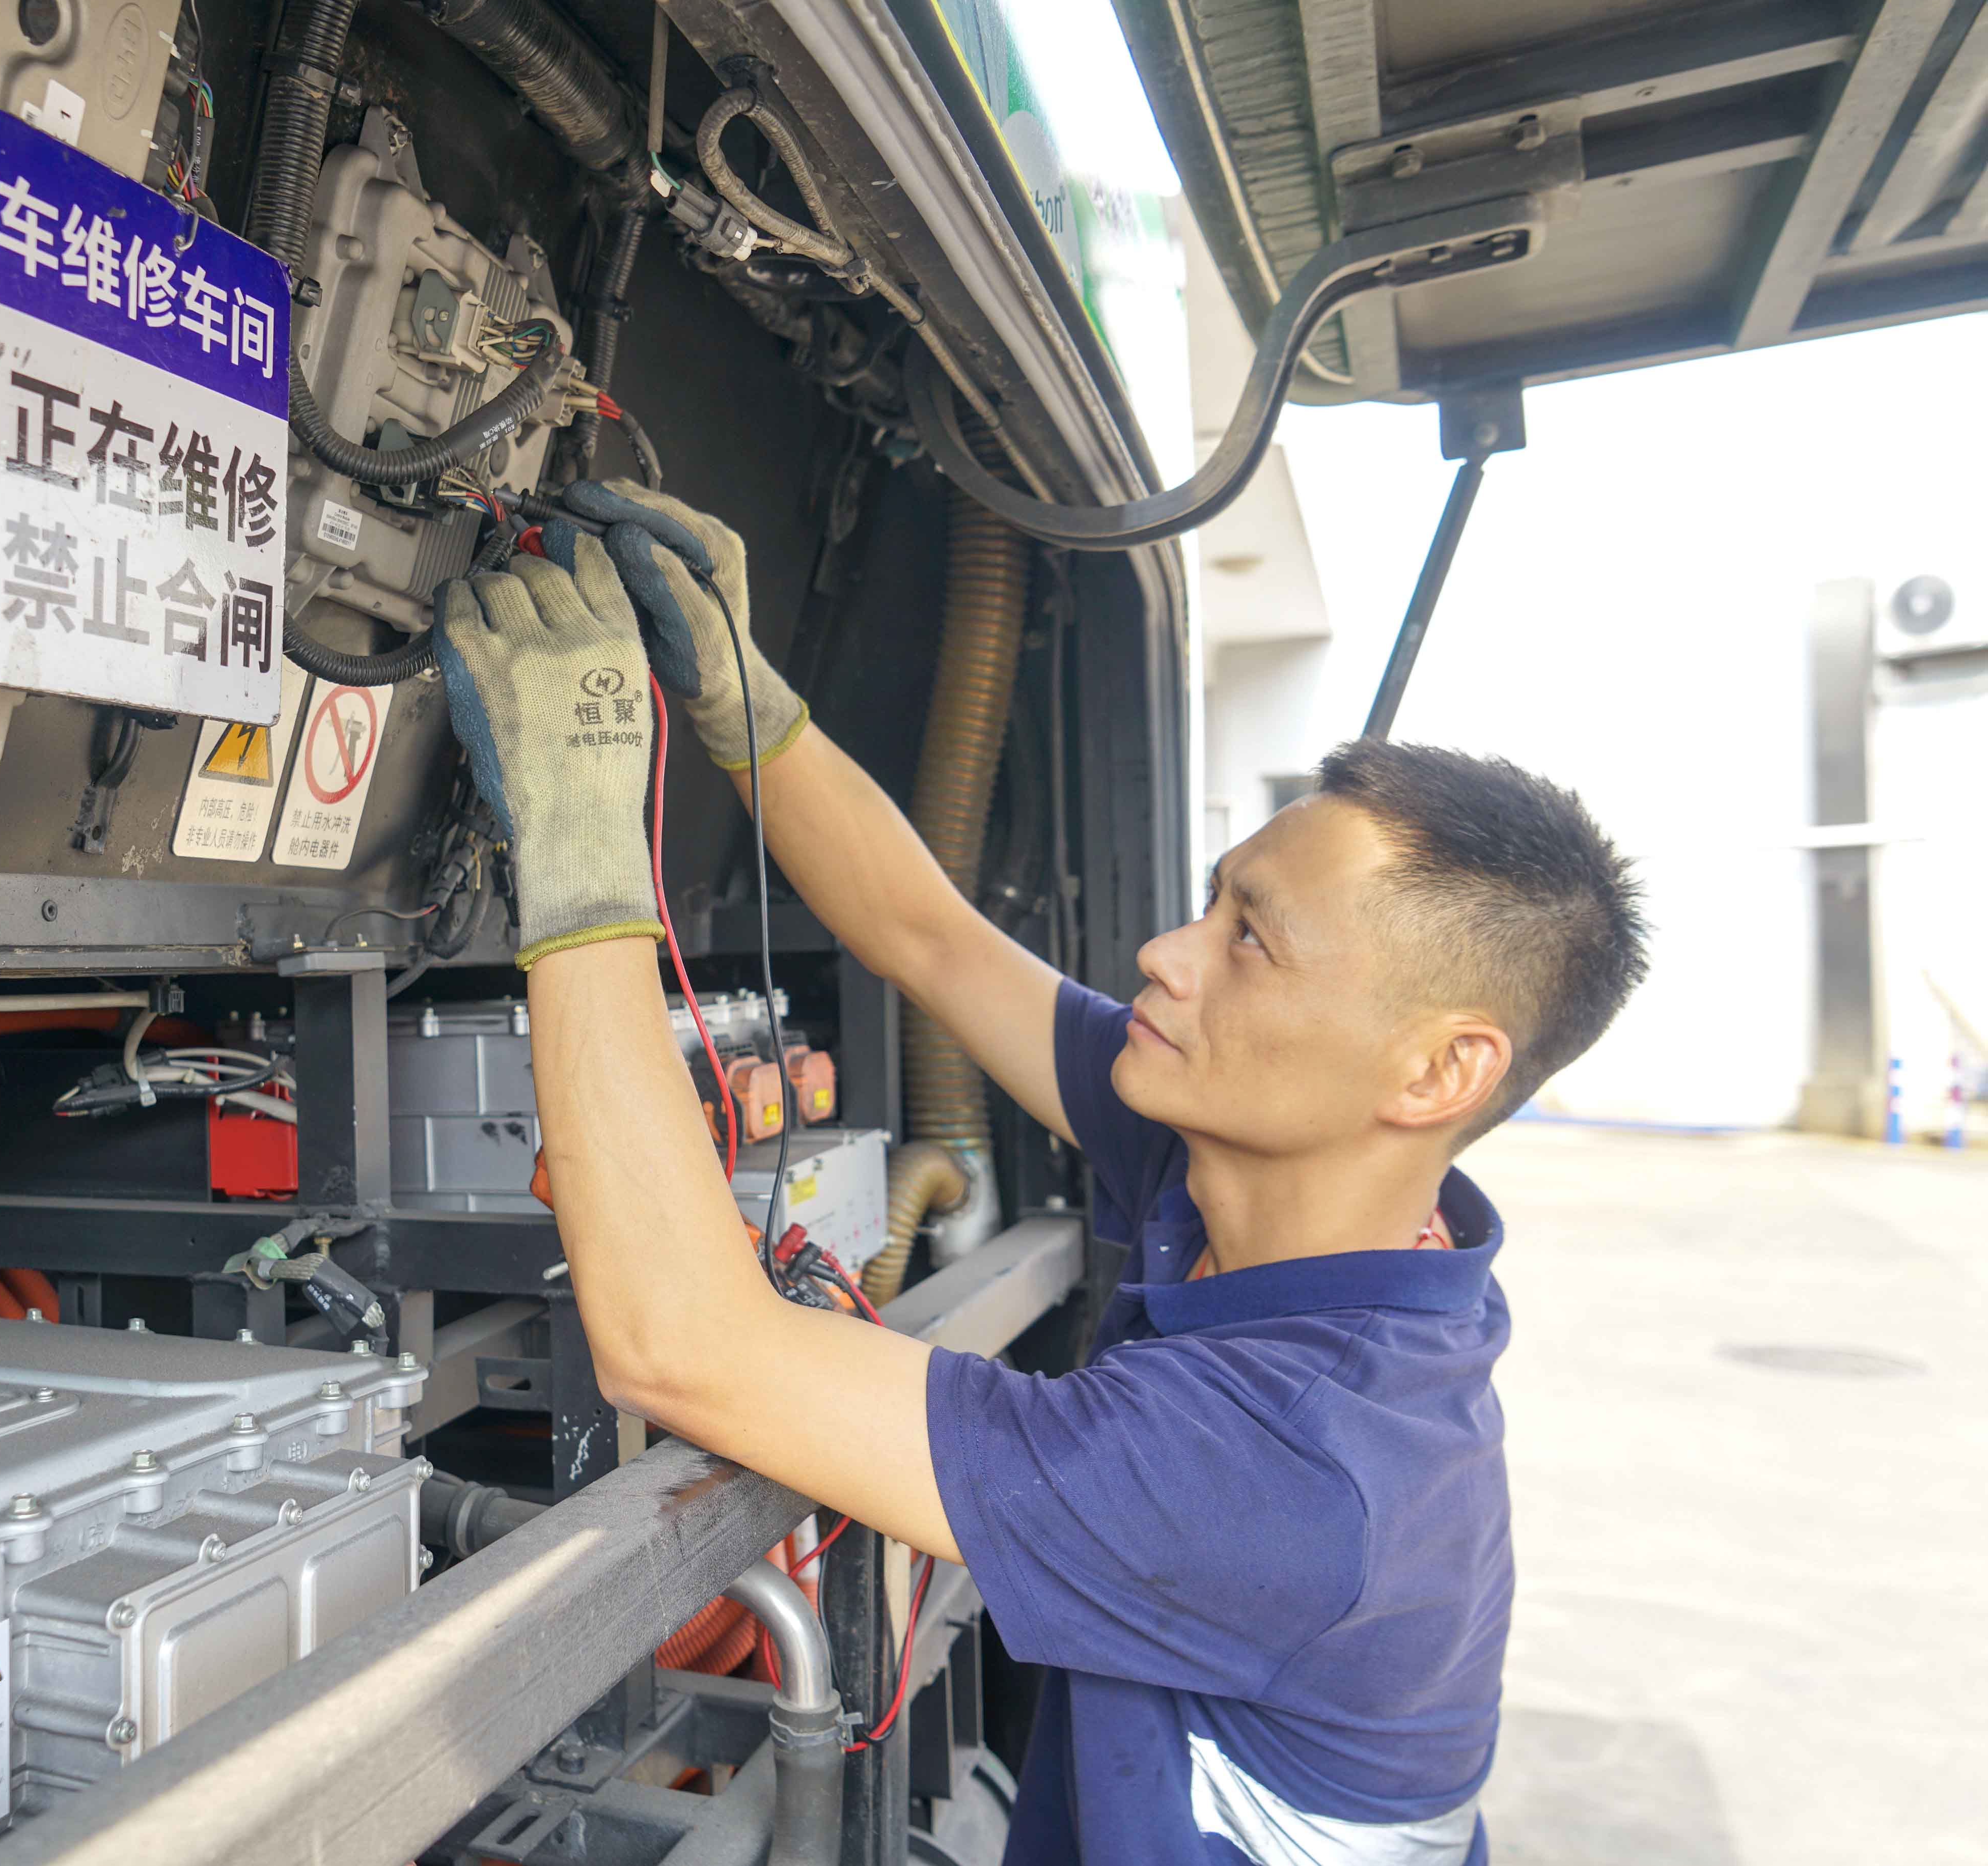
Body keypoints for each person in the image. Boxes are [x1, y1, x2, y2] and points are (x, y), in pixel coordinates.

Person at [429, 483, 1649, 1866]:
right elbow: (934, 939)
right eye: (1213, 901)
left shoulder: (1290, 1469)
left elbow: (681, 1347)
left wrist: (579, 850)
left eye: (1251, 940)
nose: (1166, 956)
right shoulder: (1297, 1197)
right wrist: (747, 706)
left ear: (1438, 1072)